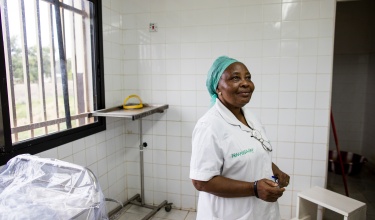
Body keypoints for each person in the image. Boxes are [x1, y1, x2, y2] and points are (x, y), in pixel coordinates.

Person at [190, 56, 290, 220]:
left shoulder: (250, 117)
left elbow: (252, 152)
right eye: (235, 78)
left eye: (248, 77)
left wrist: (275, 170)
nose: (245, 83)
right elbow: (201, 181)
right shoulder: (209, 126)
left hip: (262, 212)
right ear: (217, 88)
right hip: (228, 215)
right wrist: (254, 188)